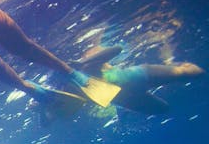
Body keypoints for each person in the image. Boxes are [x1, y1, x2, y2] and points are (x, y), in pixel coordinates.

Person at [76, 44, 204, 116]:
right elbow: (117, 49)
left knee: (194, 73)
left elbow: (117, 49)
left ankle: (171, 60)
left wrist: (82, 62)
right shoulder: (84, 68)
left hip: (129, 87)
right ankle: (172, 61)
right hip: (130, 86)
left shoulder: (84, 69)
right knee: (162, 109)